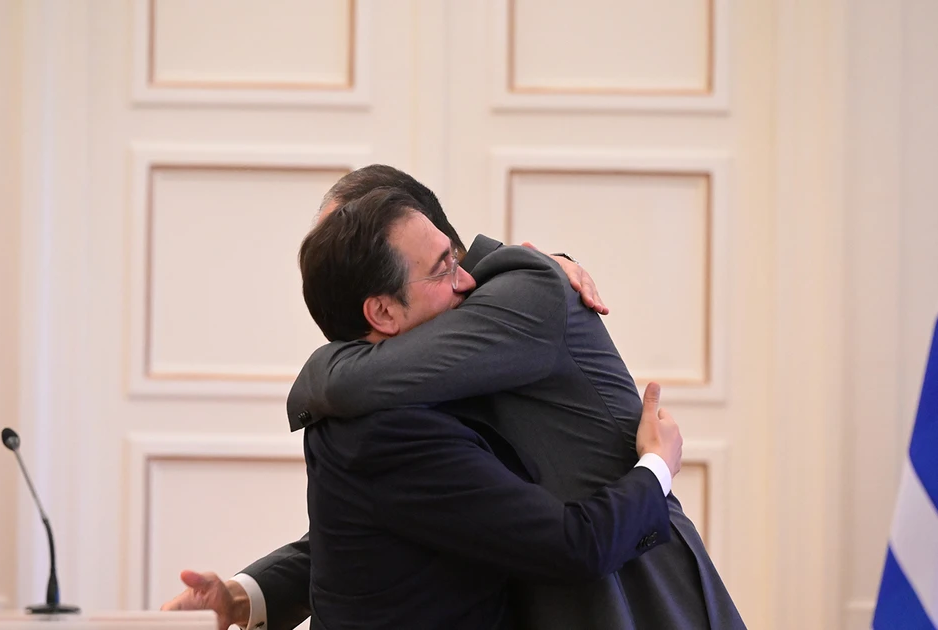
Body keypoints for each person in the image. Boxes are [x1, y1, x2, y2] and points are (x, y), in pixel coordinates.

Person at [163, 165, 741, 628]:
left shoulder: (519, 297)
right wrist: (248, 594)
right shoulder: (400, 397)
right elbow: (414, 516)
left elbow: (344, 386)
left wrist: (657, 467)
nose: (462, 278)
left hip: (641, 587)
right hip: (569, 570)